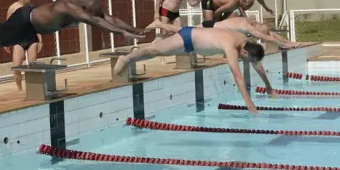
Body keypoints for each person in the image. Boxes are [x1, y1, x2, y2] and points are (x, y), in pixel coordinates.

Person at [0, 0, 146, 77]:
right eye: (91, 15)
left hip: (32, 26)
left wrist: (134, 29)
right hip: (25, 20)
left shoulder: (90, 10)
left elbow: (111, 19)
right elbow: (98, 23)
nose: (94, 17)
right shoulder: (72, 8)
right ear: (85, 9)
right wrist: (123, 34)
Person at [113, 27, 278, 114]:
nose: (247, 62)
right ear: (244, 53)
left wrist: (268, 87)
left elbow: (257, 63)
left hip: (193, 42)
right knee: (154, 51)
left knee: (155, 51)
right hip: (188, 38)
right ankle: (125, 58)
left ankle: (136, 54)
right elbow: (238, 76)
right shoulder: (232, 47)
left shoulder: (245, 42)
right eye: (247, 59)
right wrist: (250, 104)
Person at [146, 16, 301, 50]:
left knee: (183, 33)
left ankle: (161, 36)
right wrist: (286, 44)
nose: (257, 35)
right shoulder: (249, 27)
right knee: (184, 31)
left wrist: (289, 42)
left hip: (213, 25)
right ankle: (160, 24)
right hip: (211, 28)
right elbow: (265, 36)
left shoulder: (250, 21)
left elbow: (269, 34)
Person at [5, 0, 43, 90]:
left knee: (32, 67)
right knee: (17, 68)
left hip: (32, 39)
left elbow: (36, 24)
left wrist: (40, 40)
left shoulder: (32, 8)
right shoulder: (13, 8)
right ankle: (19, 90)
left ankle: (33, 89)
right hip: (19, 40)